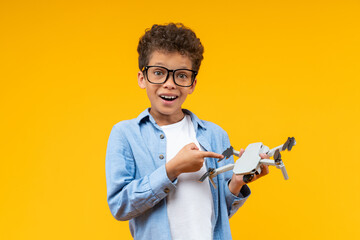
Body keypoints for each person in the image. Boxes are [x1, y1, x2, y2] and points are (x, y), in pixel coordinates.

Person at [105, 23, 269, 240]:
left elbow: (219, 214)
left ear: (192, 83)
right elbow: (120, 206)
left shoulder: (214, 134)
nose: (169, 84)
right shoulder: (125, 134)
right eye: (158, 73)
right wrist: (172, 169)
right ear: (142, 78)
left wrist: (238, 182)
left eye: (181, 75)